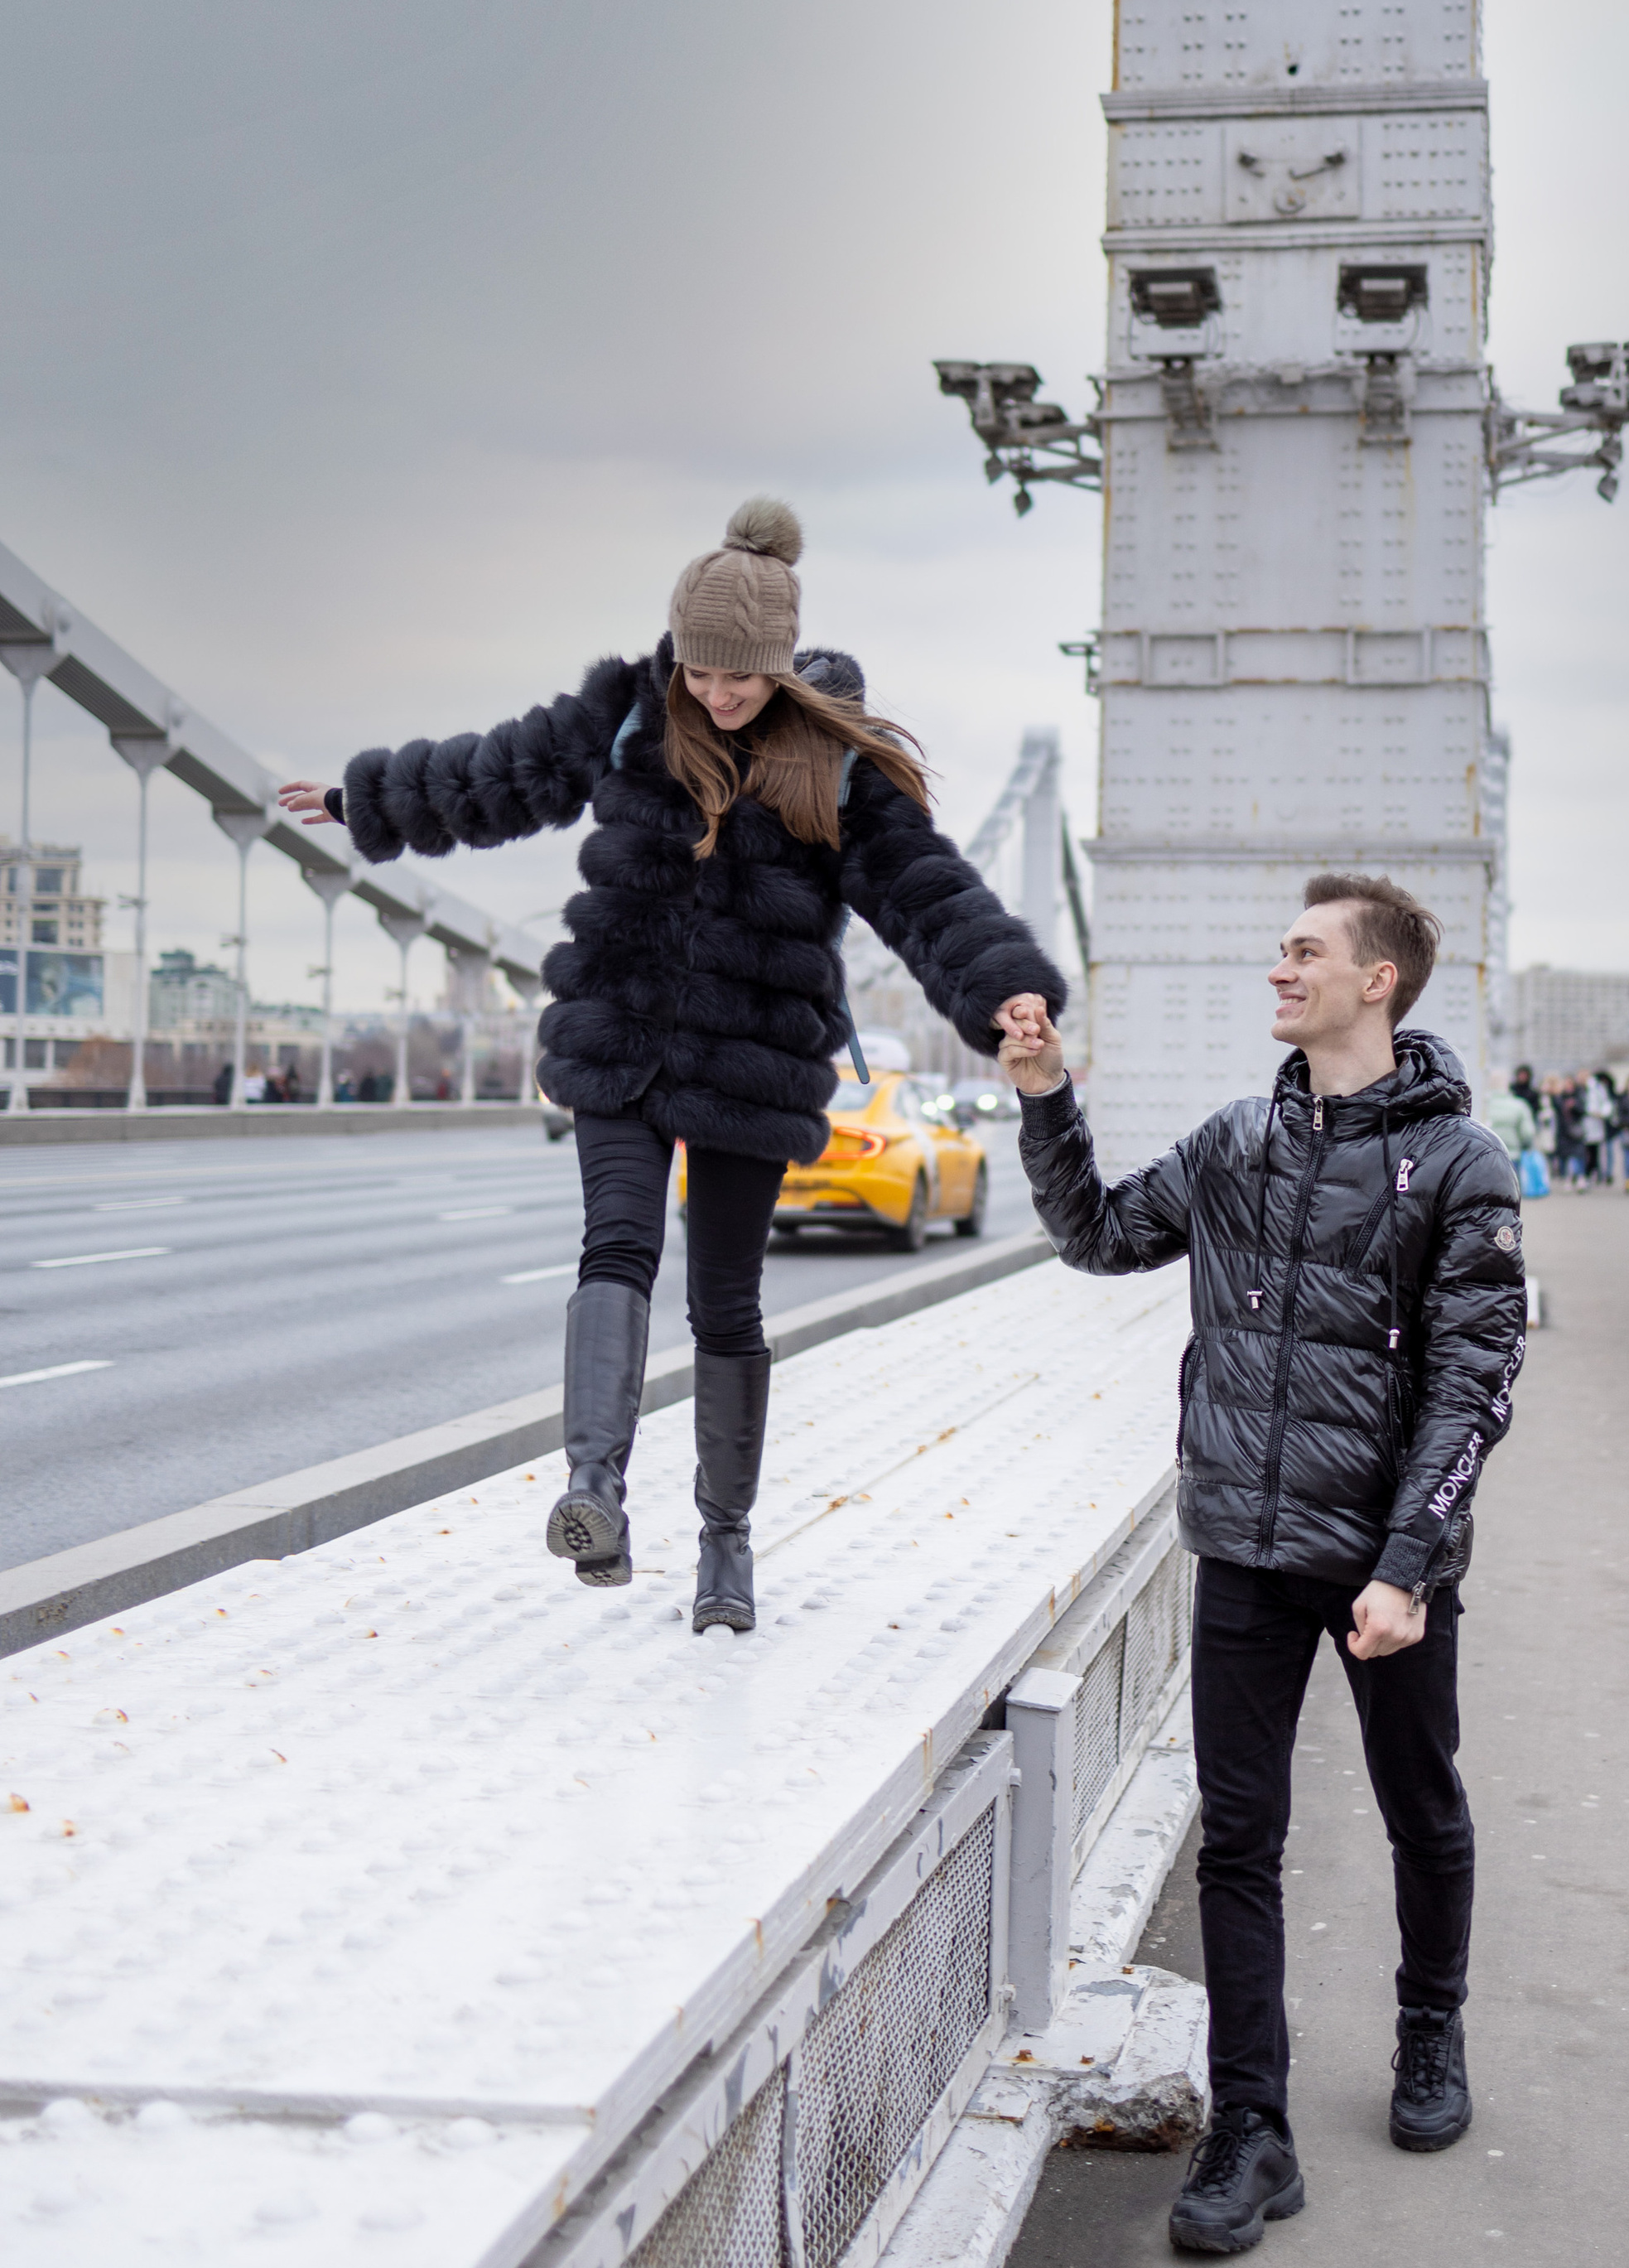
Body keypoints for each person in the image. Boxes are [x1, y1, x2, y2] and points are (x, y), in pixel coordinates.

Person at [279, 498, 1066, 1629]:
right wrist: (368, 803)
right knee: (617, 1244)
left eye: (737, 676)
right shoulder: (629, 719)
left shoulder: (834, 765)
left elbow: (928, 893)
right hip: (623, 1031)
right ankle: (594, 1488)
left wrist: (1004, 994)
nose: (715, 693)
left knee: (726, 1301)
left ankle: (726, 1545)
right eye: (698, 671)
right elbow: (498, 773)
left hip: (752, 1060)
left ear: (780, 665)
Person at [999, 875, 1526, 2256]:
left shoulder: (1463, 1164)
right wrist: (1048, 1096)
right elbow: (1100, 1236)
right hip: (1241, 1544)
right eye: (1283, 950)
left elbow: (1474, 1382)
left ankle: (1429, 2033)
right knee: (1240, 1841)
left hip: (1384, 1563)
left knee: (1422, 1803)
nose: (1278, 969)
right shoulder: (1239, 1143)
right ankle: (1255, 2131)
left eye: (1306, 953)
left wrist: (1408, 1564)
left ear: (1379, 983)